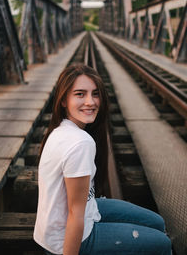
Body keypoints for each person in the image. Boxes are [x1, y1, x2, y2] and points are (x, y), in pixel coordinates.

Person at [33, 63, 171, 255]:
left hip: (67, 222)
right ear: (63, 100)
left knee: (157, 222)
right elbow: (74, 214)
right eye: (80, 94)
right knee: (163, 244)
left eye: (95, 93)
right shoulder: (80, 143)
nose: (90, 102)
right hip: (69, 240)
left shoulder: (61, 129)